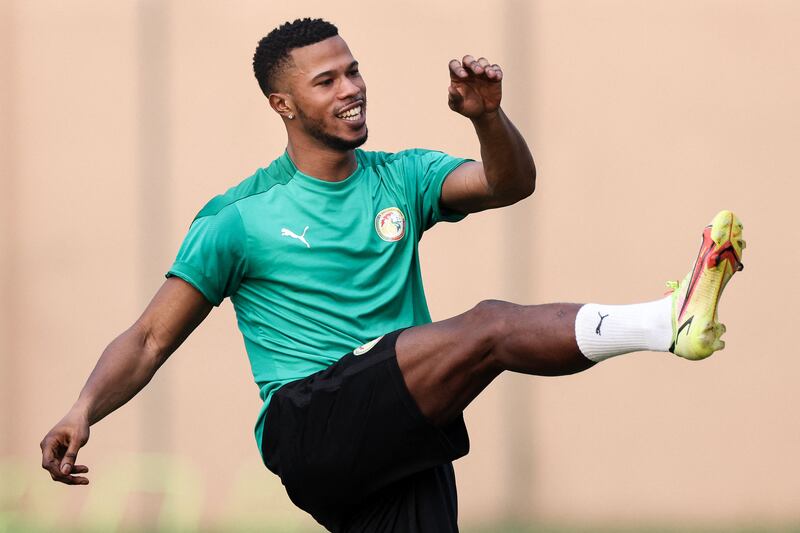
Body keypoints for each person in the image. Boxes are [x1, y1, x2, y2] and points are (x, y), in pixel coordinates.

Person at [40, 18, 745, 532]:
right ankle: (664, 320)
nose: (351, 89)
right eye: (327, 81)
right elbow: (148, 339)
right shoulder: (239, 217)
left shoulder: (400, 176)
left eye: (353, 70)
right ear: (283, 105)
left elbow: (510, 184)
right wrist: (83, 408)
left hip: (403, 428)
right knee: (490, 326)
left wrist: (488, 120)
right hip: (311, 420)